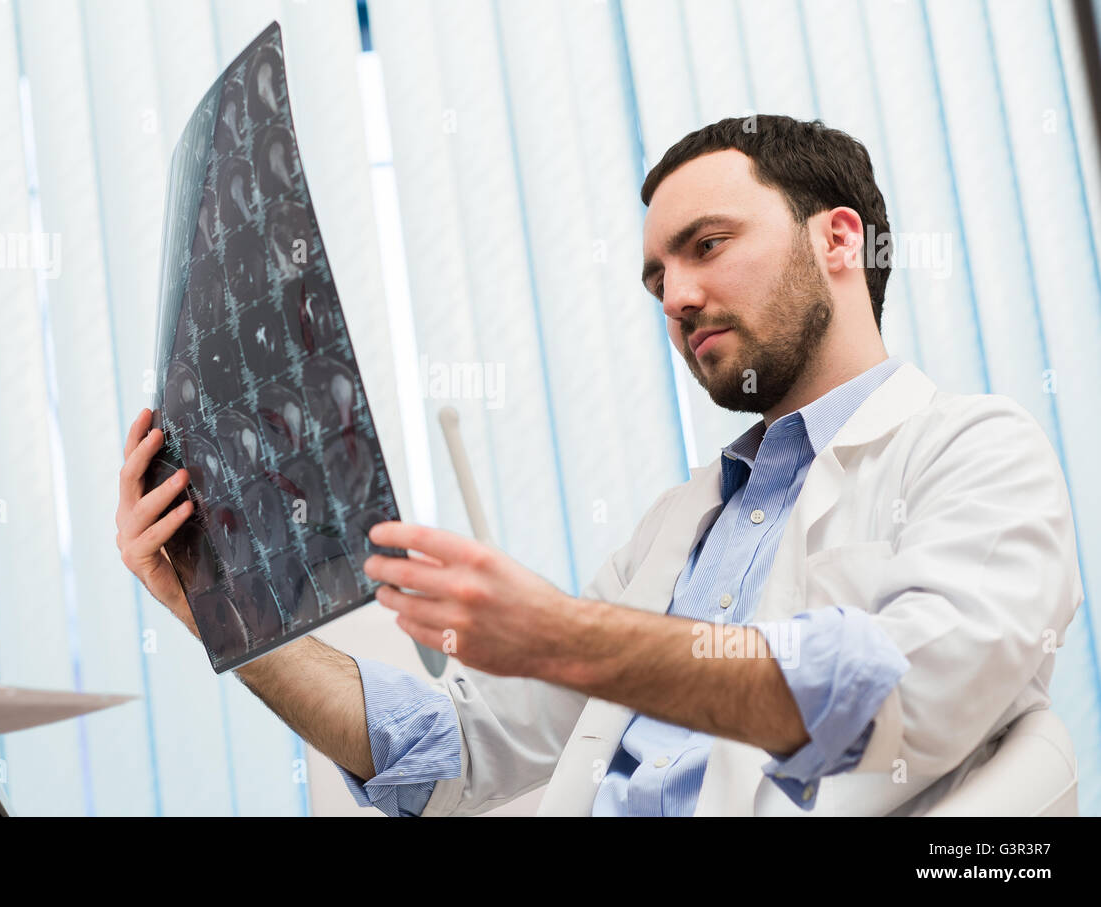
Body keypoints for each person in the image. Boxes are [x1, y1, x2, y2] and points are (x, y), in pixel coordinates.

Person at [115, 114, 1083, 817]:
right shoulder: (680, 526)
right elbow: (446, 754)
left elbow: (898, 691)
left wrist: (562, 635)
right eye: (658, 276)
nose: (677, 296)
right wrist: (219, 609)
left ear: (837, 238)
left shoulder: (973, 450)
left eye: (706, 246)